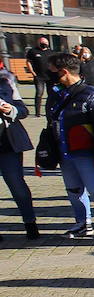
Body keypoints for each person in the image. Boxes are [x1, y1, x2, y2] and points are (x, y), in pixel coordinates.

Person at [45, 53, 94, 240]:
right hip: (65, 151)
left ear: (64, 72)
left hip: (87, 152)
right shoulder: (57, 94)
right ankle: (83, 223)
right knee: (73, 189)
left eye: (52, 71)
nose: (49, 75)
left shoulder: (91, 94)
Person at [0, 74, 39, 240]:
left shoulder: (6, 81)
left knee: (16, 183)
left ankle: (30, 223)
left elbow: (23, 110)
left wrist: (11, 110)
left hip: (8, 142)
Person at [25, 37, 54, 115]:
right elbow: (28, 62)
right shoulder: (33, 51)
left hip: (50, 76)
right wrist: (32, 72)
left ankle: (50, 110)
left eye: (46, 43)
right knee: (39, 93)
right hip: (39, 76)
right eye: (43, 43)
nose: (44, 44)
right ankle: (37, 112)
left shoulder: (51, 52)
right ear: (38, 43)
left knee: (51, 94)